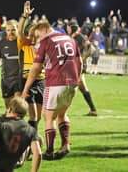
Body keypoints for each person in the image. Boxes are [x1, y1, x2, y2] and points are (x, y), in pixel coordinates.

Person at [22, 21, 82, 160]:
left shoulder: (46, 41)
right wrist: (76, 80)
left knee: (49, 117)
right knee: (62, 114)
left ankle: (49, 151)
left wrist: (26, 89)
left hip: (55, 83)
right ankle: (65, 145)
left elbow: (35, 69)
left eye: (37, 35)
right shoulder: (69, 39)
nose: (36, 39)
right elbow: (80, 62)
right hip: (72, 83)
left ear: (43, 29)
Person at [17, 1, 44, 131]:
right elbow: (20, 31)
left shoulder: (44, 45)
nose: (33, 35)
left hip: (41, 81)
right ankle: (31, 139)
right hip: (28, 80)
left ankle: (29, 134)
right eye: (31, 32)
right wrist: (24, 16)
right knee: (33, 115)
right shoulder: (25, 43)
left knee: (38, 117)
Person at [66, 21, 98, 116]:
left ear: (72, 28)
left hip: (78, 66)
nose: (67, 29)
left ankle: (65, 110)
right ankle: (93, 110)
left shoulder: (80, 37)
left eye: (68, 27)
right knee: (82, 88)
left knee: (72, 86)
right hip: (75, 65)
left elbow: (92, 49)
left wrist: (82, 59)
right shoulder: (72, 37)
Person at [0, 20, 21, 109]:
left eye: (13, 30)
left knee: (17, 106)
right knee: (8, 108)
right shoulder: (1, 43)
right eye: (8, 30)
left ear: (18, 29)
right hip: (6, 80)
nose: (10, 32)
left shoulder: (22, 43)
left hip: (20, 79)